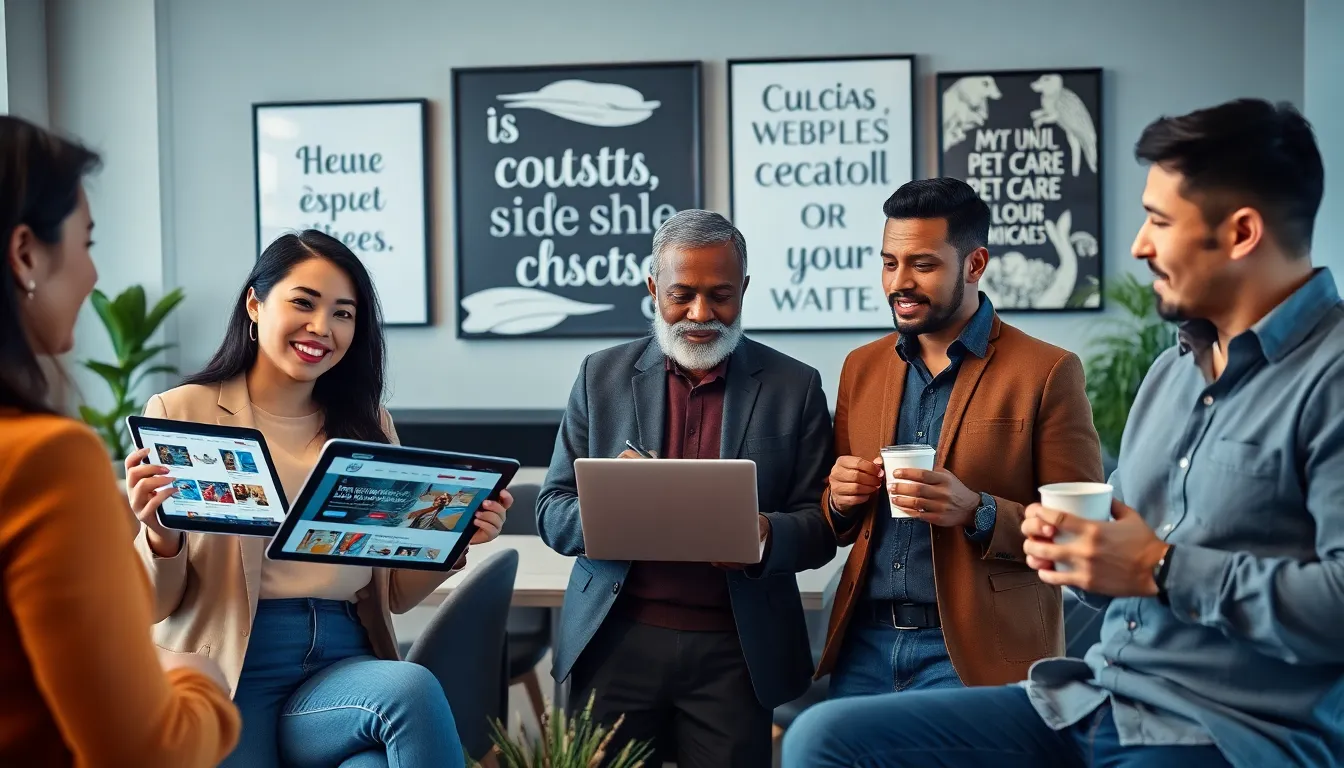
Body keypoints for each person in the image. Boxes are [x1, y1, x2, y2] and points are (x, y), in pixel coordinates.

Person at [783, 99, 1343, 768]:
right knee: (822, 739)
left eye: (1159, 220)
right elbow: (1116, 559)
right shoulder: (1172, 374)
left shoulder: (1328, 376)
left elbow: (1180, 571)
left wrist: (1156, 566)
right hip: (1098, 695)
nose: (1139, 244)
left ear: (1242, 232)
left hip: (1226, 726)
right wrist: (1085, 555)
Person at [125, 229, 514, 768]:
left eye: (343, 313)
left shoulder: (369, 425)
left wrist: (453, 539)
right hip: (234, 666)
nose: (322, 328)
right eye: (304, 304)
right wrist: (160, 536)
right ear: (256, 304)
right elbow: (152, 605)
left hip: (344, 662)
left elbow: (396, 593)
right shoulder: (182, 410)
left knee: (409, 690)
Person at [537, 209, 836, 767]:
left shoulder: (795, 387)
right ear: (653, 288)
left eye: (721, 295)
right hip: (615, 637)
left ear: (744, 289)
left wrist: (767, 535)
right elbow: (552, 510)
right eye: (682, 295)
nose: (702, 314)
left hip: (738, 648)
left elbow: (822, 527)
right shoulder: (598, 377)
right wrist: (612, 514)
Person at [0, 114, 240, 766]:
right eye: (87, 242)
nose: (94, 276)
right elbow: (146, 752)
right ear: (25, 253)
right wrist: (200, 682)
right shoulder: (45, 459)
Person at [814, 177, 1103, 697]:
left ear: (975, 265)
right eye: (889, 263)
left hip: (976, 654)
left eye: (923, 265)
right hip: (864, 648)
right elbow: (835, 524)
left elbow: (1080, 537)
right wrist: (837, 498)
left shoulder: (1048, 371)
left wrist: (976, 510)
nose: (899, 282)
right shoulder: (861, 368)